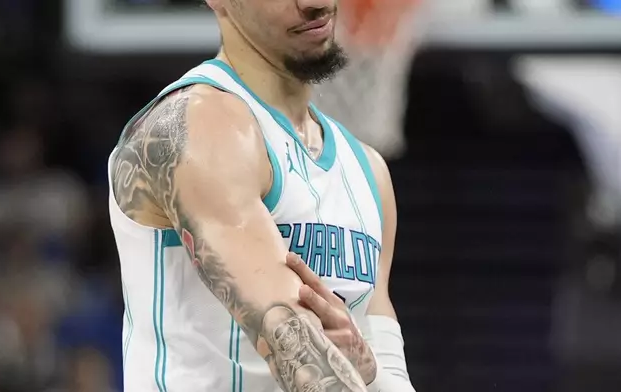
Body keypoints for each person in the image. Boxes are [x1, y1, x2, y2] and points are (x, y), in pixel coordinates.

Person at [108, 0, 413, 391]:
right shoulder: (198, 128)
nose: (315, 3)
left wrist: (368, 370)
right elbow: (294, 350)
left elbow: (391, 380)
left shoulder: (368, 173)